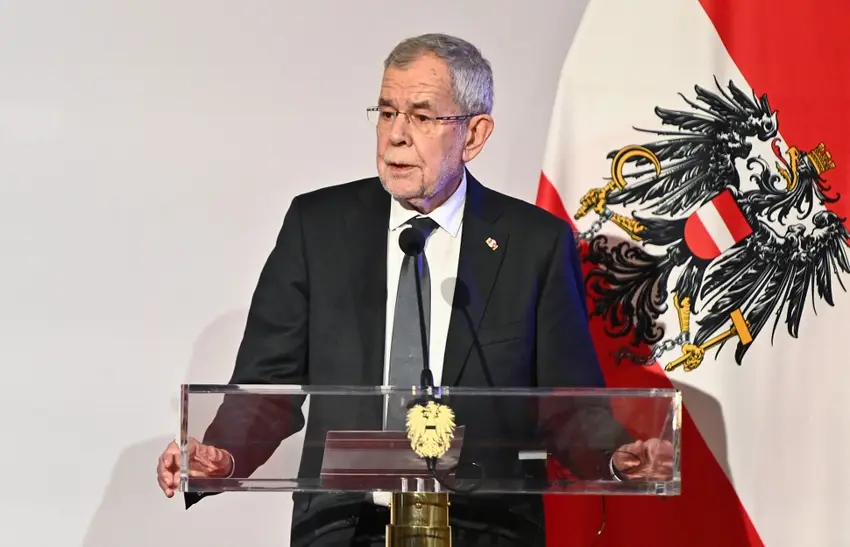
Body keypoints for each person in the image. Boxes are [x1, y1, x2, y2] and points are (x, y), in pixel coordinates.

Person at [156, 33, 673, 546]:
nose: (396, 136)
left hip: (482, 531)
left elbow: (568, 405)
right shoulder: (318, 226)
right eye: (386, 113)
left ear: (474, 135)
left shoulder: (533, 243)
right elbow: (268, 388)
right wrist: (221, 454)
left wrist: (615, 455)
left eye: (422, 117)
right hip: (344, 529)